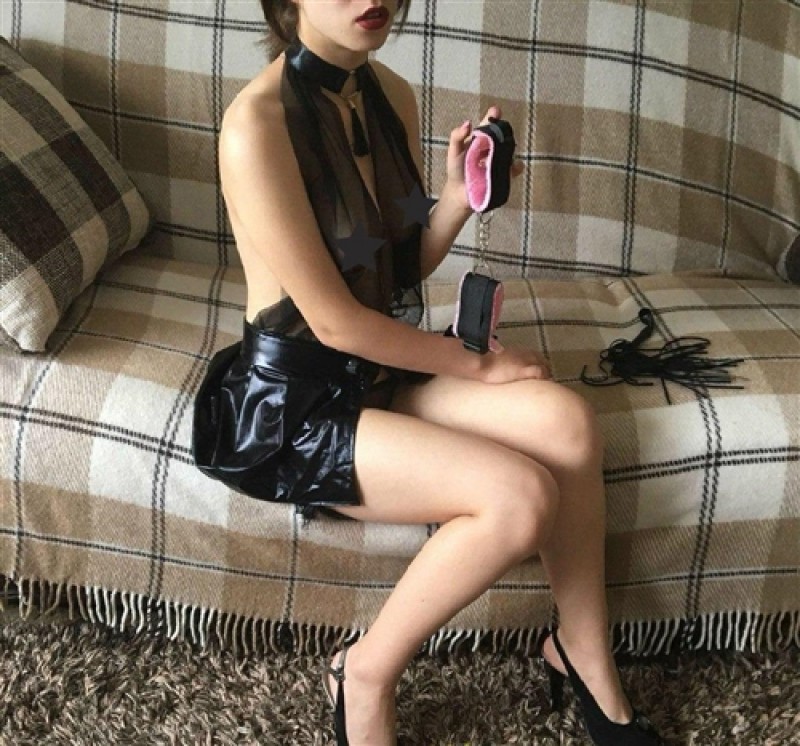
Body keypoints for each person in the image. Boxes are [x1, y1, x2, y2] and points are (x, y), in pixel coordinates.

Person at [192, 2, 664, 744]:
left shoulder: (389, 95)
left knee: (567, 420)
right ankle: (365, 671)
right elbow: (334, 321)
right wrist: (475, 366)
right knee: (519, 499)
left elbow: (401, 259)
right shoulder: (256, 127)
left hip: (381, 373)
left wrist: (458, 196)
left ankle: (581, 651)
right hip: (300, 408)